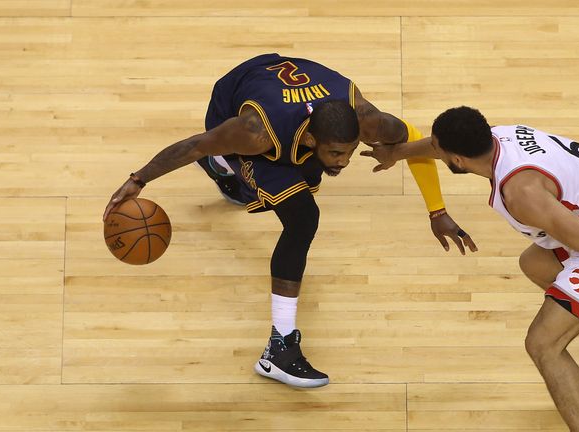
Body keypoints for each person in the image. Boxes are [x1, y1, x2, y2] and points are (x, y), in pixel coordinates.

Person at [102, 54, 478, 389]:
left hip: (286, 88)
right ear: (312, 138)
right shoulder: (255, 132)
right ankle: (278, 349)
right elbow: (194, 143)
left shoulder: (369, 119)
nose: (344, 163)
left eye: (348, 153)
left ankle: (230, 175)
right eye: (335, 153)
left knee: (295, 184)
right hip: (233, 102)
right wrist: (138, 180)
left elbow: (417, 138)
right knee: (302, 219)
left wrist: (437, 210)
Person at [362, 106, 579, 431]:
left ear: (458, 161)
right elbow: (439, 143)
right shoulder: (497, 136)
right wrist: (399, 152)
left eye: (441, 151)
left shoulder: (522, 193)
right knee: (534, 263)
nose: (436, 151)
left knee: (543, 345)